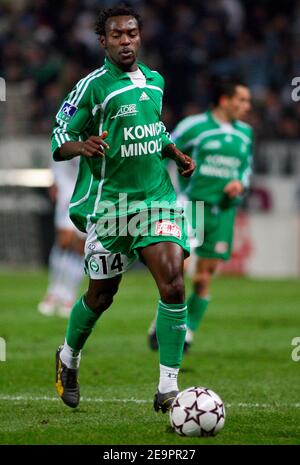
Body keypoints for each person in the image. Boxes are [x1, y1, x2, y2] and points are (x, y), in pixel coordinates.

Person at [52, 4, 195, 411]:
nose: (126, 40)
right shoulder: (92, 87)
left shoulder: (155, 80)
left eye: (131, 33)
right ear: (103, 41)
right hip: (111, 208)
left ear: (140, 36)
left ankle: (168, 386)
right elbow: (59, 136)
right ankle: (68, 358)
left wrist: (174, 152)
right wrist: (82, 145)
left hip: (157, 201)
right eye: (117, 35)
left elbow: (153, 127)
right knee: (101, 296)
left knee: (173, 281)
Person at [148, 78, 253, 351]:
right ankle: (164, 325)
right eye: (242, 100)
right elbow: (163, 147)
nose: (247, 106)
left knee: (205, 276)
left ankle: (188, 330)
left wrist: (240, 184)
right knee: (178, 269)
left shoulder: (246, 133)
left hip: (224, 211)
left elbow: (246, 167)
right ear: (224, 100)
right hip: (192, 205)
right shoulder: (194, 126)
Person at [38, 158, 85, 318]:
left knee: (80, 247)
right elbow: (57, 154)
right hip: (67, 190)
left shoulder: (96, 135)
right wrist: (54, 180)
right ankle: (53, 292)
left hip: (86, 191)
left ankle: (69, 296)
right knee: (64, 242)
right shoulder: (65, 134)